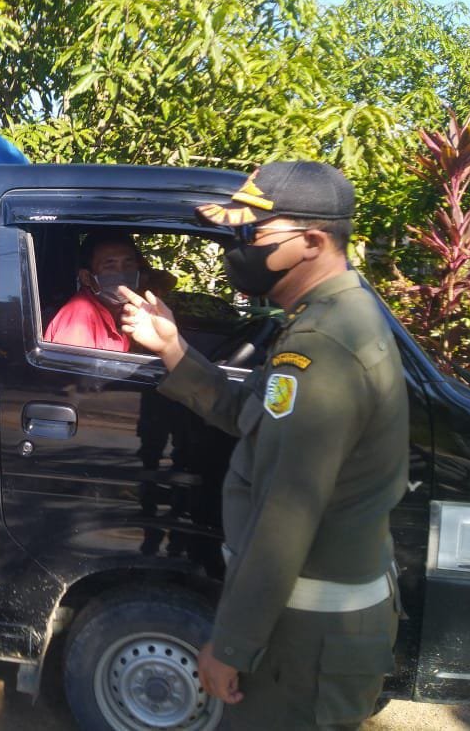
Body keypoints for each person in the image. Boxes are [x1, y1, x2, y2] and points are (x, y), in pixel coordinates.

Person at [119, 161, 408, 730]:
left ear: (313, 242)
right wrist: (172, 347)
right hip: (305, 624)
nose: (238, 247)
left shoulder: (324, 345)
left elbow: (285, 516)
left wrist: (231, 644)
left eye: (251, 233)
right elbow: (250, 415)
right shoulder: (323, 318)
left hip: (303, 635)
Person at [43, 231, 154, 351]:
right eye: (110, 266)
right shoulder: (80, 320)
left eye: (128, 264)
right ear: (86, 277)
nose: (121, 274)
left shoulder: (125, 311)